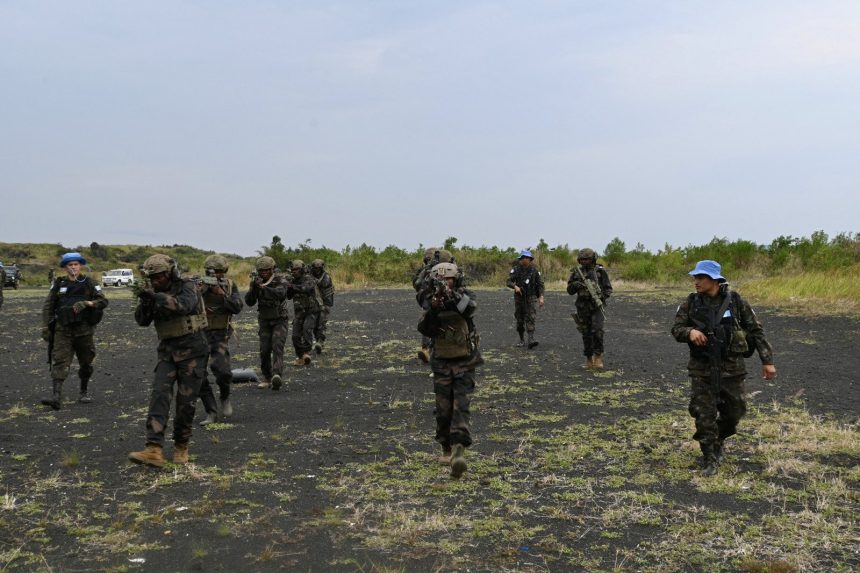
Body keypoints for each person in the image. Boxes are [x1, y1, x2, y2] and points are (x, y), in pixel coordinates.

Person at [671, 260, 777, 476]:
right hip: (702, 369)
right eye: (695, 277)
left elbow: (756, 331)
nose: (696, 282)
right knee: (703, 415)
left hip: (732, 368)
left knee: (735, 412)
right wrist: (690, 332)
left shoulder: (736, 302)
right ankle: (709, 457)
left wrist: (767, 361)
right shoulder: (691, 302)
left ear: (715, 279)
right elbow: (676, 328)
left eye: (701, 277)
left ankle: (719, 438)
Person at [128, 254, 208, 467]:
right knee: (159, 395)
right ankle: (153, 448)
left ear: (170, 273)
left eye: (160, 277)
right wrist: (145, 301)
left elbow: (184, 306)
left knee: (185, 403)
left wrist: (155, 297)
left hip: (193, 352)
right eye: (152, 278)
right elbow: (142, 321)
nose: (156, 281)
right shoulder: (153, 292)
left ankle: (181, 445)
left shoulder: (187, 286)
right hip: (167, 353)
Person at [417, 262, 483, 478]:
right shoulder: (429, 298)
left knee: (461, 405)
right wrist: (434, 308)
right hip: (442, 360)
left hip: (465, 359)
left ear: (457, 280)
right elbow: (425, 329)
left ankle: (458, 451)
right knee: (443, 408)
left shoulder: (465, 295)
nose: (445, 283)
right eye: (441, 281)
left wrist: (451, 296)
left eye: (449, 280)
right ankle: (445, 447)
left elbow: (470, 308)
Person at [39, 252, 109, 409]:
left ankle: (83, 392)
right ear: (65, 267)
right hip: (62, 330)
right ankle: (56, 397)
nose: (73, 267)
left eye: (76, 264)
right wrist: (45, 327)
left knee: (86, 362)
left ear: (80, 266)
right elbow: (48, 306)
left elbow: (103, 301)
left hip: (84, 331)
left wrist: (88, 303)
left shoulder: (89, 282)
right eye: (70, 265)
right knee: (59, 361)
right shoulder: (59, 283)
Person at [197, 255, 243, 425]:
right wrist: (199, 291)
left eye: (218, 272)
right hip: (198, 334)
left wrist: (221, 294)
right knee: (198, 374)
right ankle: (211, 411)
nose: (214, 275)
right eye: (211, 271)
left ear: (224, 272)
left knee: (223, 371)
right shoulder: (196, 285)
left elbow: (237, 307)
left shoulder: (229, 286)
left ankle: (224, 396)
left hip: (219, 334)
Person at [244, 256, 289, 390]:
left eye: (266, 270)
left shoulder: (281, 280)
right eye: (261, 270)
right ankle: (267, 377)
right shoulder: (257, 283)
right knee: (264, 350)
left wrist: (263, 288)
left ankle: (277, 376)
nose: (263, 273)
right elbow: (249, 302)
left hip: (280, 319)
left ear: (272, 269)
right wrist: (254, 288)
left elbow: (280, 294)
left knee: (277, 345)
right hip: (264, 320)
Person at [566, 248, 613, 369]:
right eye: (582, 259)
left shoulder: (600, 272)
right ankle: (588, 359)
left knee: (597, 331)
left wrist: (600, 297)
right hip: (582, 307)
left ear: (593, 259)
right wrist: (575, 285)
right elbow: (569, 290)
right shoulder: (577, 273)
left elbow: (608, 289)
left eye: (587, 259)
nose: (584, 261)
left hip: (596, 306)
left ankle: (598, 358)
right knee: (585, 333)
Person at [506, 249, 545, 348]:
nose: (525, 260)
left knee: (531, 317)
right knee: (519, 318)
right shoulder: (516, 269)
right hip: (519, 297)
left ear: (530, 259)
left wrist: (541, 297)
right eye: (523, 258)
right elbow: (508, 281)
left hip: (531, 297)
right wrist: (515, 287)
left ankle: (531, 339)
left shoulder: (534, 270)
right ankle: (521, 339)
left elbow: (540, 284)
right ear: (520, 259)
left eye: (527, 258)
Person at [286, 260, 322, 365]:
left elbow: (306, 288)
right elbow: (288, 296)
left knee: (307, 330)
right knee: (295, 336)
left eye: (297, 270)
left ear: (302, 270)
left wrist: (291, 286)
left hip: (311, 310)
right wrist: (287, 286)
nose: (294, 272)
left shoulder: (309, 278)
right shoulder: (292, 281)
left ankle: (306, 353)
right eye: (293, 270)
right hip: (299, 312)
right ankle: (301, 356)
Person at [310, 259, 334, 354]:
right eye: (315, 268)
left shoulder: (326, 276)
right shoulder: (311, 275)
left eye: (319, 268)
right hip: (315, 304)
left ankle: (320, 341)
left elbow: (321, 284)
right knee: (315, 324)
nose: (317, 270)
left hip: (325, 303)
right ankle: (318, 341)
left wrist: (310, 277)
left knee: (322, 323)